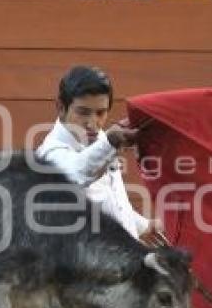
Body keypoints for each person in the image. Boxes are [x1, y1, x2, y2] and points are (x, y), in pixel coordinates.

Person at [36, 66, 160, 240]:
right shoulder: (50, 154)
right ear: (61, 107)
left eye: (101, 113)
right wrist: (112, 141)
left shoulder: (101, 139)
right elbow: (78, 172)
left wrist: (147, 226)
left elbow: (110, 205)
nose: (93, 122)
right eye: (83, 112)